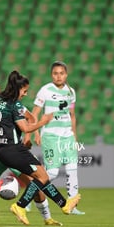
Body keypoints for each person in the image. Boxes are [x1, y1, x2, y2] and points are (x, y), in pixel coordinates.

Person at [0, 76, 62, 226]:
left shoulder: (10, 103)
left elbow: (31, 118)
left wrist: (28, 137)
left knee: (36, 185)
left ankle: (47, 218)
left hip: (13, 151)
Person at [0, 70, 81, 225]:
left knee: (41, 178)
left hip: (1, 149)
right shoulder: (15, 104)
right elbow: (25, 128)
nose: (25, 94)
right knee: (42, 177)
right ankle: (20, 206)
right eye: (25, 91)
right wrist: (43, 121)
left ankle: (64, 205)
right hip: (13, 149)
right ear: (18, 89)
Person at [31, 61, 85, 215]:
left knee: (72, 169)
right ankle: (29, 197)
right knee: (52, 173)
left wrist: (74, 136)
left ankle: (72, 205)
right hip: (51, 135)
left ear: (66, 74)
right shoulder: (45, 90)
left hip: (67, 136)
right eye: (55, 73)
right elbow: (34, 114)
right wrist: (35, 132)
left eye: (61, 73)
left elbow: (72, 115)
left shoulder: (71, 92)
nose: (58, 76)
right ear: (51, 75)